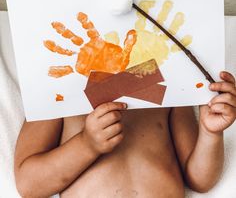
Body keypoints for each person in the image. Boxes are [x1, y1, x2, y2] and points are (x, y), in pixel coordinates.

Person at [14, 71, 236, 198]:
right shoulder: (58, 88)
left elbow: (200, 181)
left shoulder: (170, 83)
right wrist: (87, 145)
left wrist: (210, 133)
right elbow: (29, 184)